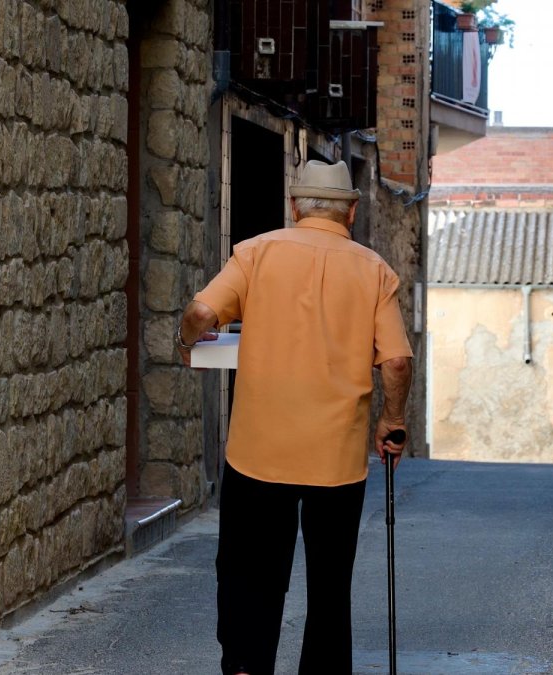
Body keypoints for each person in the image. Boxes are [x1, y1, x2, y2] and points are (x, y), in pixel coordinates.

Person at [175, 160, 414, 675]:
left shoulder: (256, 254)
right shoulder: (374, 270)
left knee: (250, 574)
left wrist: (185, 342)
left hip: (259, 454)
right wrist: (391, 421)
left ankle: (245, 666)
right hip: (337, 460)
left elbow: (200, 314)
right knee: (330, 585)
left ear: (293, 206)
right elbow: (396, 360)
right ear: (351, 211)